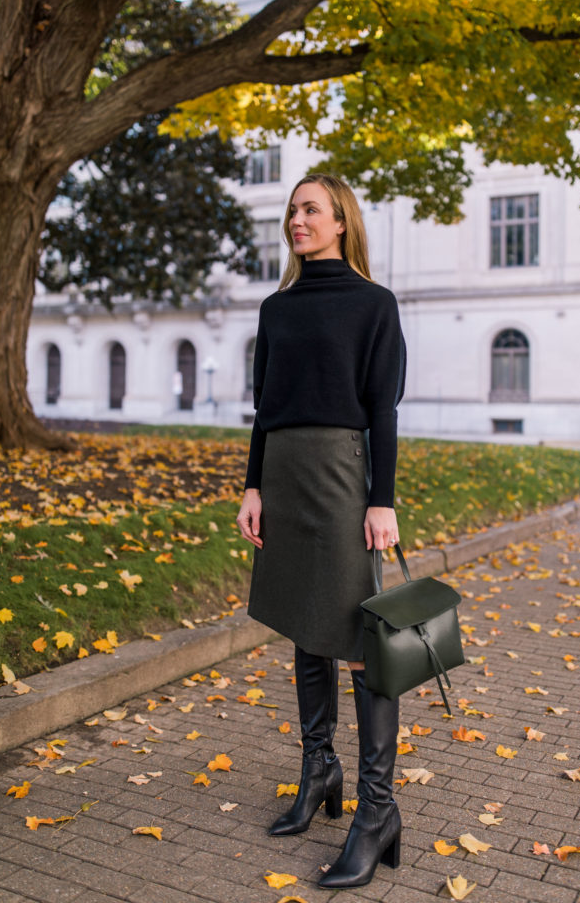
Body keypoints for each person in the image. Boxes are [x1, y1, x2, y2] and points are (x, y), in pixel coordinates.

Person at [237, 173, 406, 889]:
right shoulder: (276, 309)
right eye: (292, 210)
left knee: (360, 638)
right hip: (282, 473)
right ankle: (318, 772)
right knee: (305, 628)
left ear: (340, 221)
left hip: (341, 475)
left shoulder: (373, 305)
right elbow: (262, 407)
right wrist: (251, 485)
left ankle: (375, 812)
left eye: (309, 209)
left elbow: (384, 409)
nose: (295, 219)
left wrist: (381, 499)